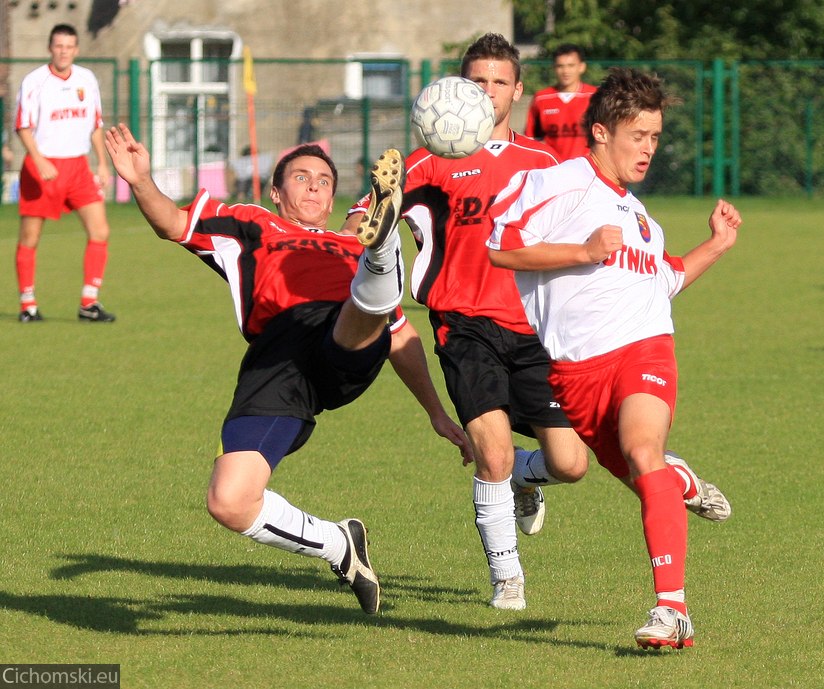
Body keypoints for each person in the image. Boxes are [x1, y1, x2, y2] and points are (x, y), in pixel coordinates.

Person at [106, 122, 417, 615]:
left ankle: (383, 256)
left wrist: (438, 415)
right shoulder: (252, 224)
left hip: (344, 335)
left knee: (364, 299)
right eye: (301, 176)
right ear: (276, 192)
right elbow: (172, 223)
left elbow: (403, 337)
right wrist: (140, 180)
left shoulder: (348, 243)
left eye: (323, 179)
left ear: (334, 198)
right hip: (279, 360)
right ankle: (340, 546)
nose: (314, 184)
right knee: (229, 501)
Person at [488, 67, 742, 648]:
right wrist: (581, 249)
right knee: (643, 475)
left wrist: (717, 245)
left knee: (642, 450)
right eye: (638, 135)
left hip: (644, 350)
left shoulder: (644, 222)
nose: (648, 149)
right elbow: (500, 249)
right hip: (576, 373)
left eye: (655, 137)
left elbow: (668, 280)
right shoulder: (561, 183)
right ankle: (680, 482)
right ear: (600, 132)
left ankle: (672, 611)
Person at [344, 33, 590, 611]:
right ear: (457, 88)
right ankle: (507, 577)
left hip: (533, 328)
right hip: (465, 325)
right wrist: (375, 213)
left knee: (571, 464)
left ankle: (528, 480)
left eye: (499, 81)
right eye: (476, 81)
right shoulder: (431, 160)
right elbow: (365, 216)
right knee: (493, 455)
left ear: (518, 90)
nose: (487, 91)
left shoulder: (545, 163)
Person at [14, 23, 115, 323]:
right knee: (30, 237)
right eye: (59, 46)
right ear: (50, 48)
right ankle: (27, 304)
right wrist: (38, 159)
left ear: (76, 49)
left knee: (100, 231)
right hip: (41, 168)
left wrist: (102, 162)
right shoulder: (34, 81)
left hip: (78, 168)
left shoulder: (87, 78)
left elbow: (95, 124)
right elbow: (22, 126)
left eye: (69, 46)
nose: (64, 51)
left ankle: (89, 304)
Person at [524, 44, 597, 161]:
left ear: (582, 67)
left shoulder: (595, 97)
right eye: (560, 66)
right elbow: (531, 139)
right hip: (552, 169)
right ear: (554, 68)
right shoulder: (542, 98)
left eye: (571, 65)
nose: (565, 71)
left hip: (586, 169)